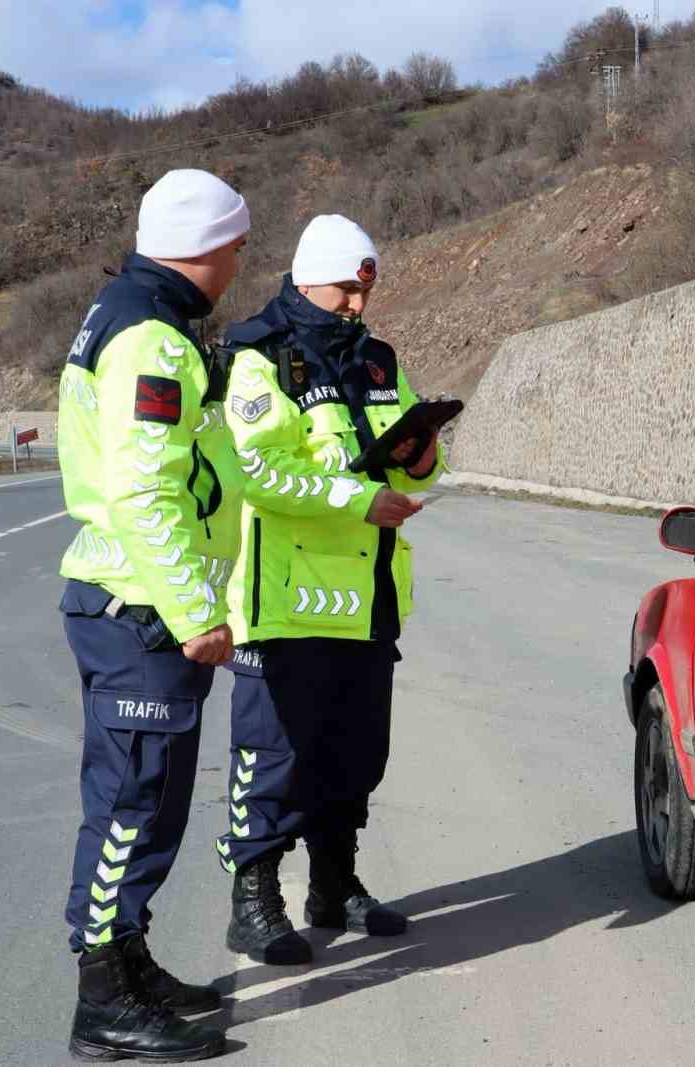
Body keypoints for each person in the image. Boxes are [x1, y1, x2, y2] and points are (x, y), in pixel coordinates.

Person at [56, 168, 249, 1061]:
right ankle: (103, 998)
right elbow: (144, 492)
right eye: (236, 247)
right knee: (133, 803)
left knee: (149, 803)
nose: (239, 264)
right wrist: (193, 610)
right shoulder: (152, 337)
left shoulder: (134, 316)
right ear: (207, 247)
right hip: (140, 606)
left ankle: (127, 961)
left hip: (134, 604)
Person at [215, 214, 442, 964]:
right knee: (276, 757)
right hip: (287, 603)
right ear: (309, 274)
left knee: (353, 755)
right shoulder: (260, 356)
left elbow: (418, 466)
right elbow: (259, 471)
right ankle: (254, 902)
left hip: (366, 599)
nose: (357, 303)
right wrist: (355, 500)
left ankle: (333, 886)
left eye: (365, 288)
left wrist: (420, 453)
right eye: (346, 286)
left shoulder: (379, 360)